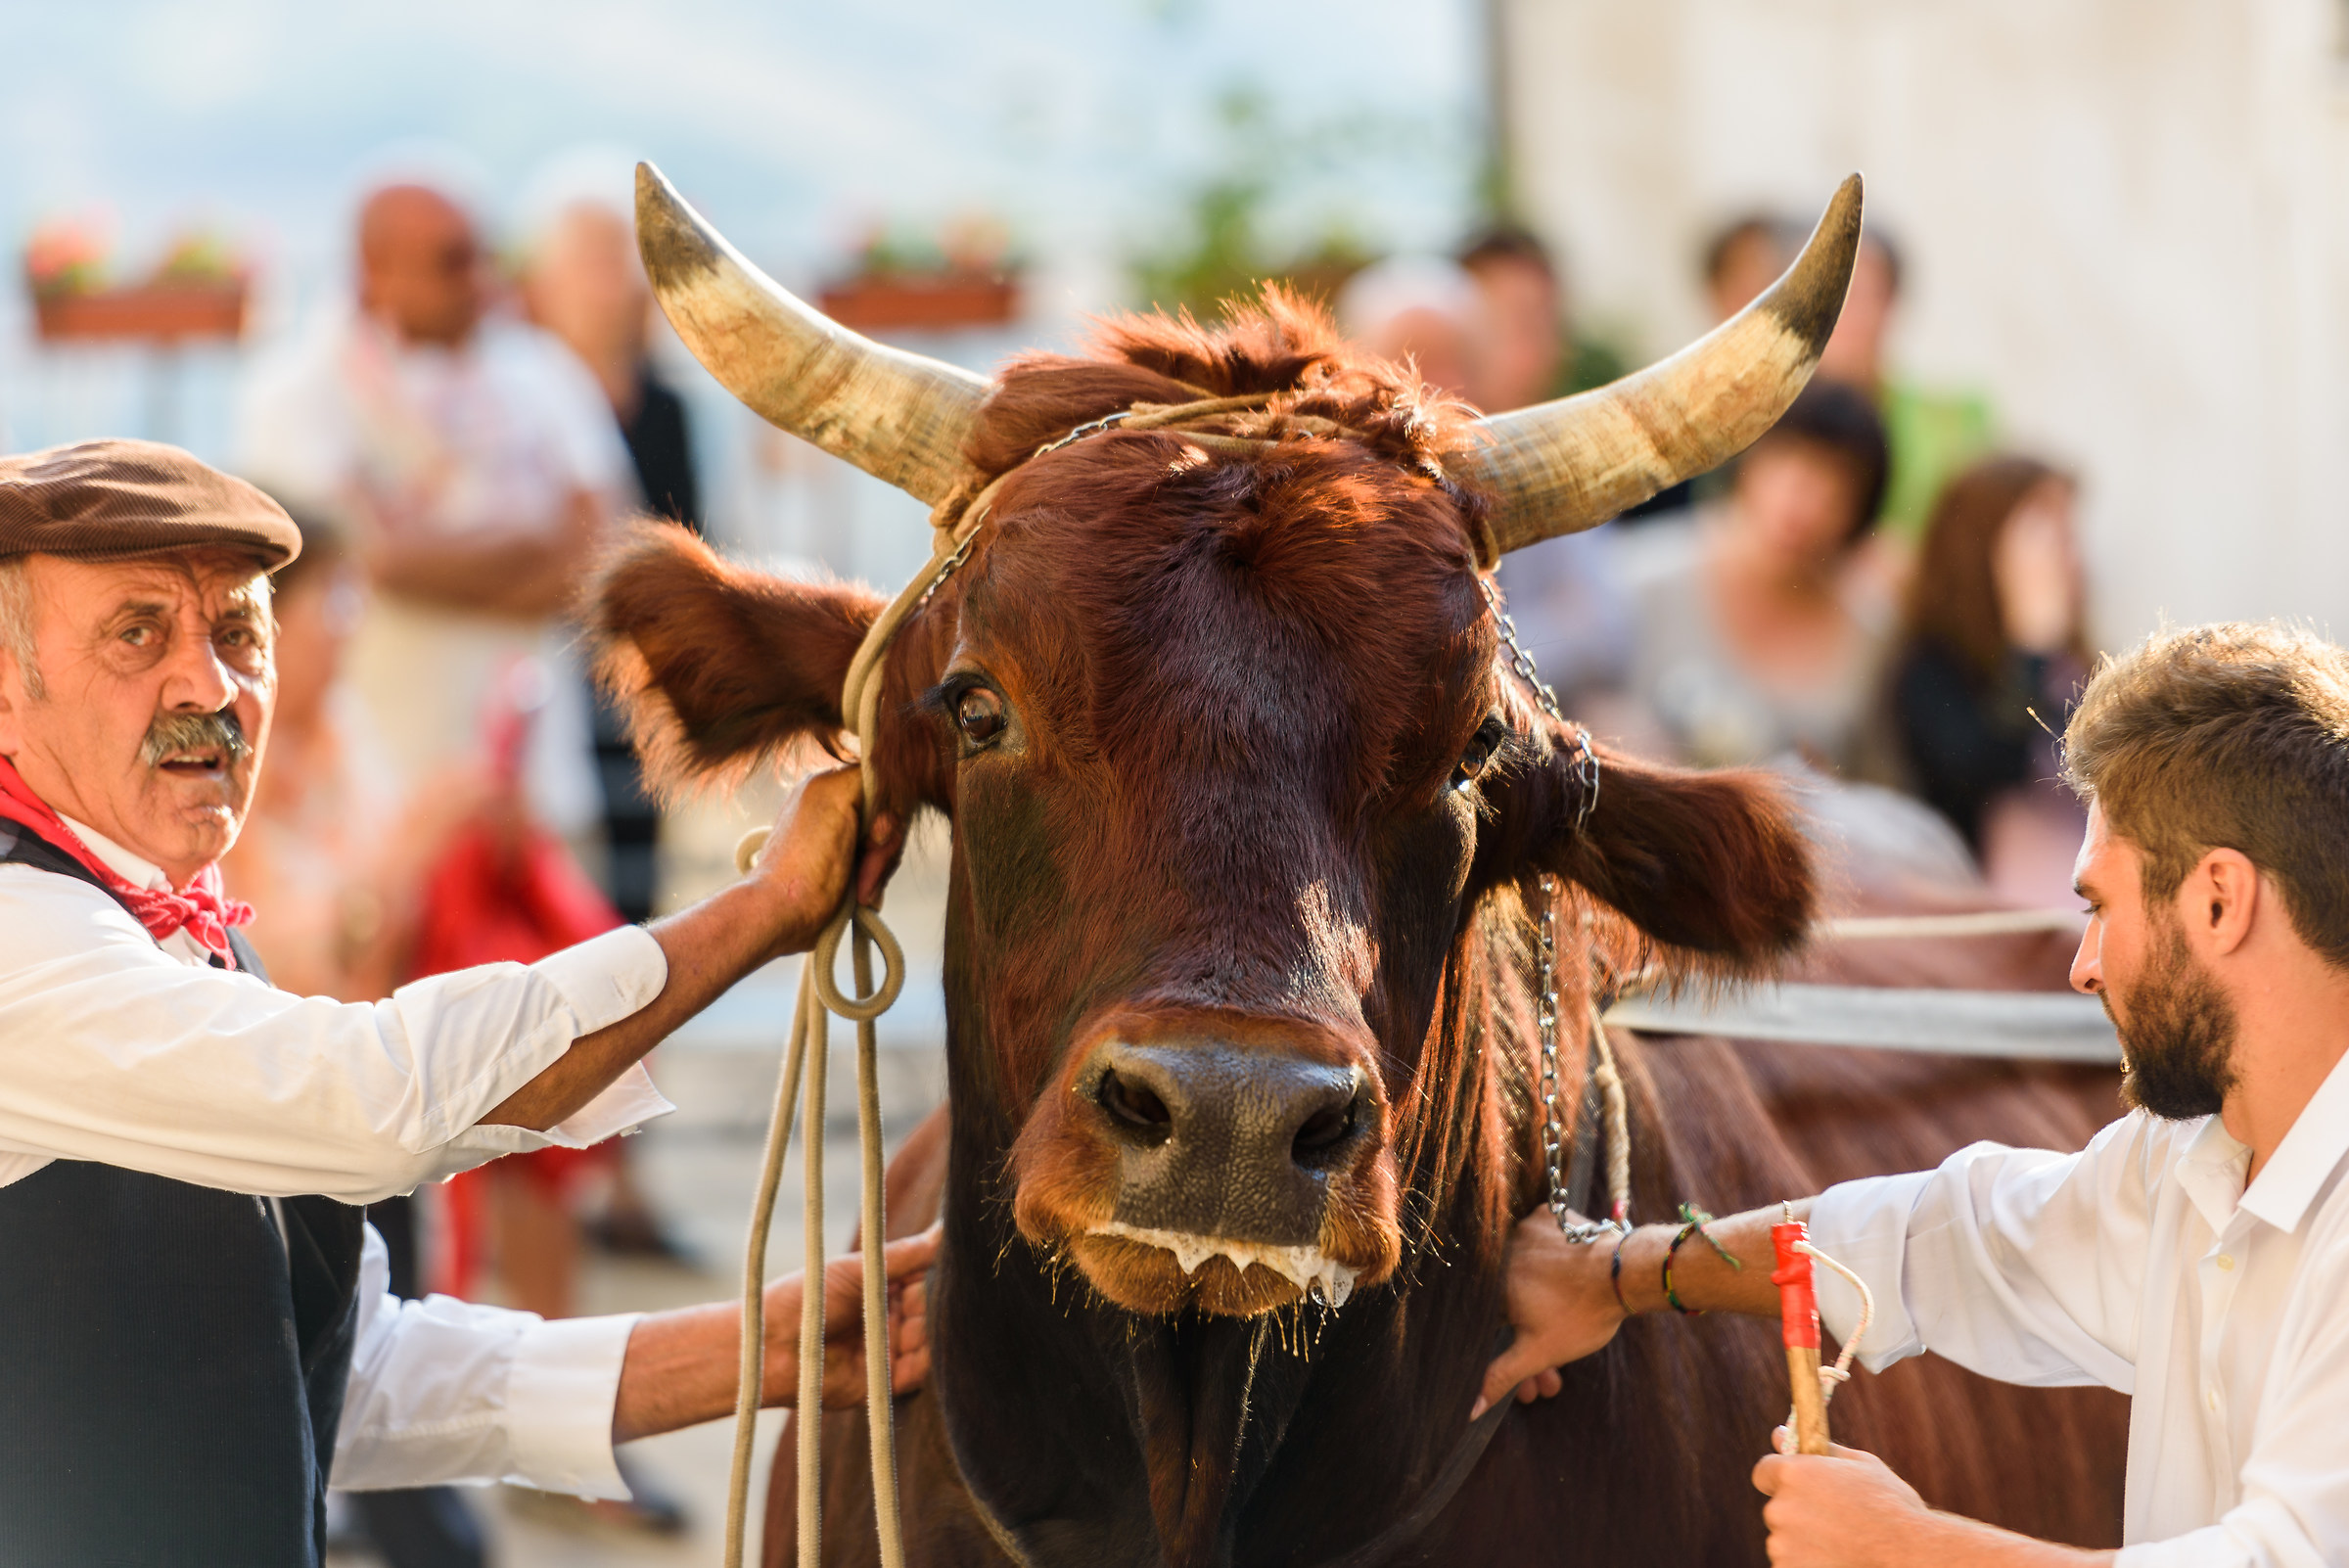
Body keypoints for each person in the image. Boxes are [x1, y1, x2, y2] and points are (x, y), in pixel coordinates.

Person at [0, 439, 929, 1564]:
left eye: (240, 631)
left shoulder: (158, 925)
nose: (210, 686)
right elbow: (373, 1101)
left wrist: (758, 1350)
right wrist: (760, 911)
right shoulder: (23, 930)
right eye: (137, 633)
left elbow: (355, 1376)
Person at [1483, 619, 2349, 1565]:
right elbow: (1947, 1240)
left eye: (2099, 906)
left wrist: (1906, 1547)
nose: (2083, 967)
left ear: (2219, 901)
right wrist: (1619, 1273)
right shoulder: (2194, 1161)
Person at [236, 176, 625, 853]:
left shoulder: (545, 373)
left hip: (544, 799)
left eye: (484, 256)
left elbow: (609, 560)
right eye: (452, 261)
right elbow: (365, 560)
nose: (481, 281)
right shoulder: (299, 396)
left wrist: (419, 553)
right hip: (384, 813)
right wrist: (540, 554)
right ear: (376, 270)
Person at [1606, 379, 1895, 774]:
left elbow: (1879, 784)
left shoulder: (1873, 633)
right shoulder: (1638, 575)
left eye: (1834, 484)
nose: (1801, 500)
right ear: (1746, 459)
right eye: (1786, 460)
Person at [1885, 455, 2091, 905]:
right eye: (2051, 540)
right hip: (1988, 916)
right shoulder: (1928, 666)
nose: (2073, 561)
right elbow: (1986, 765)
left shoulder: (2077, 663)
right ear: (1986, 549)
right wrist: (2031, 646)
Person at [1812, 227, 1995, 544]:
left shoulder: (1955, 419)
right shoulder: (1763, 422)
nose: (1844, 312)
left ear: (1892, 303)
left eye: (1862, 294)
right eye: (1828, 292)